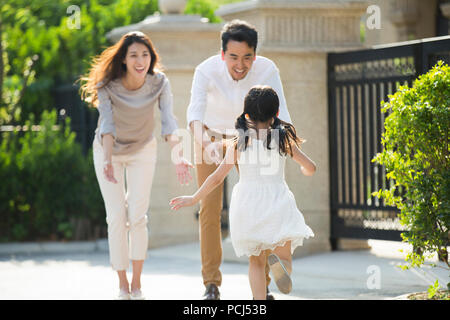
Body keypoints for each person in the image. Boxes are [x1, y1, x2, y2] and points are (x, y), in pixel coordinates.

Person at [171, 85, 316, 300]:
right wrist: (305, 170)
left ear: (247, 115)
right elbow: (311, 167)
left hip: (248, 206)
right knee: (283, 254)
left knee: (256, 263)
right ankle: (282, 269)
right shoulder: (282, 140)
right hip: (277, 202)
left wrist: (194, 197)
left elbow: (216, 177)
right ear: (276, 114)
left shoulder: (240, 143)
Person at [80, 31, 192, 300]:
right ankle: (122, 285)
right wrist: (107, 159)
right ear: (124, 60)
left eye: (145, 54)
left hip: (143, 149)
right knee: (117, 217)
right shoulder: (108, 84)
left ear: (151, 58)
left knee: (138, 217)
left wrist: (178, 155)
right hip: (109, 151)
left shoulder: (159, 82)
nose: (140, 60)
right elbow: (106, 124)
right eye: (134, 55)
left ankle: (137, 284)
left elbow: (168, 121)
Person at [186, 19, 292, 300]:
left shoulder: (267, 69)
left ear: (254, 54)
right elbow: (194, 115)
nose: (240, 64)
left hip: (253, 138)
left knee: (266, 205)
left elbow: (283, 114)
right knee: (209, 208)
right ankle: (211, 283)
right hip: (211, 137)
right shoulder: (206, 71)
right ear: (223, 54)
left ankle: (263, 285)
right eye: (233, 57)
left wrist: (285, 146)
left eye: (247, 57)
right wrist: (205, 145)